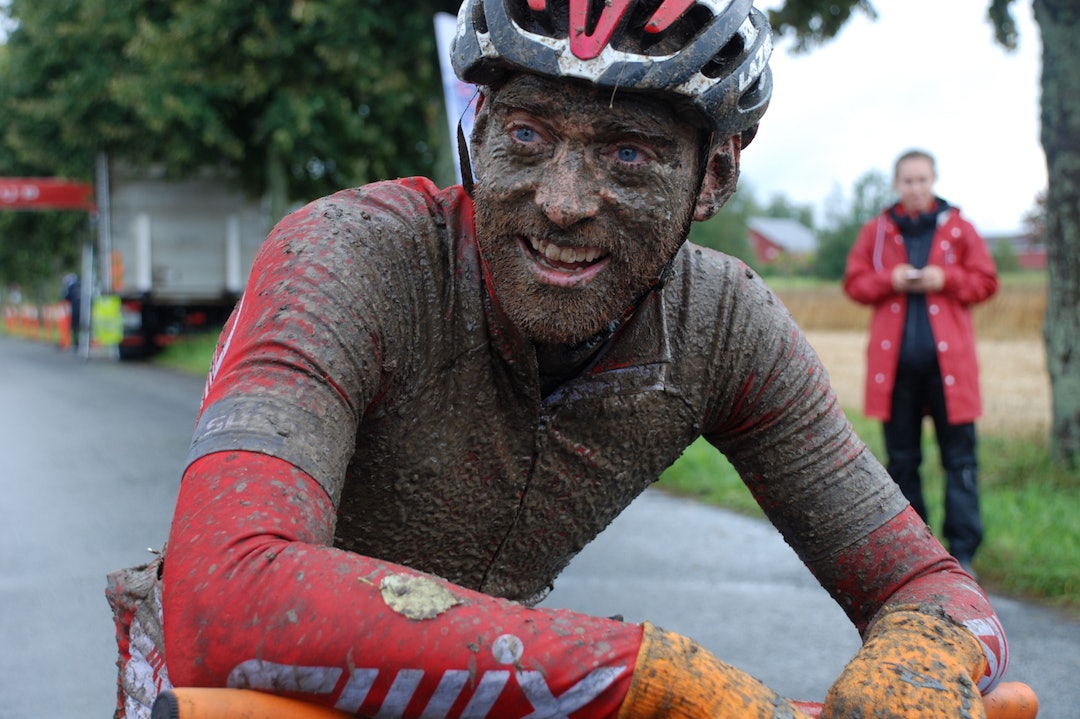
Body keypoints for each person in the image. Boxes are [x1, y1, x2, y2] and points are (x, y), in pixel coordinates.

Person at [108, 3, 1009, 719]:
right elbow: (224, 598)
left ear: (716, 176)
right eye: (528, 138)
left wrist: (926, 653)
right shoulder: (345, 257)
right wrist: (643, 673)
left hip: (484, 684)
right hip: (238, 698)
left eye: (629, 153)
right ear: (480, 128)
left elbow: (931, 582)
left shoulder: (726, 325)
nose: (564, 202)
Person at [843, 149, 999, 578]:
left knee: (960, 459)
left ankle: (963, 552)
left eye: (922, 180)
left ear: (933, 181)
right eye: (907, 180)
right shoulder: (876, 231)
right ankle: (916, 551)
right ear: (897, 184)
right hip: (896, 374)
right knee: (903, 462)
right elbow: (854, 283)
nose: (915, 187)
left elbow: (987, 281)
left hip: (951, 375)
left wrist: (944, 278)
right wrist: (888, 281)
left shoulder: (960, 229)